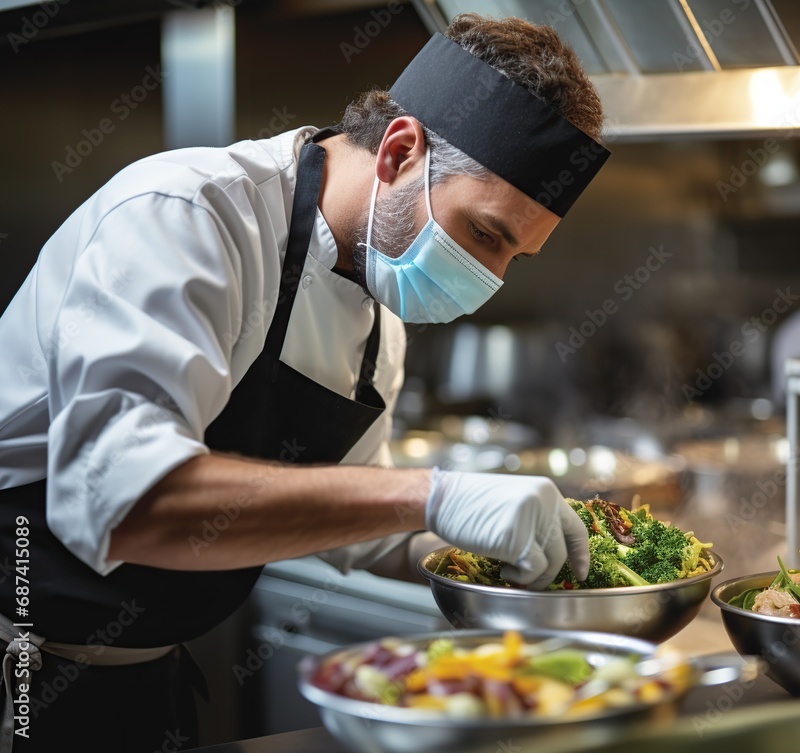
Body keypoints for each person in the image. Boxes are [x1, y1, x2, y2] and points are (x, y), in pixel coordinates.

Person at [0, 13, 610, 752]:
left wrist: (509, 563)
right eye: (485, 235)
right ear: (400, 151)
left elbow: (356, 526)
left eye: (516, 256)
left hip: (145, 679)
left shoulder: (381, 314)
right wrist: (435, 494)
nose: (491, 278)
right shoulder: (190, 217)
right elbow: (124, 501)